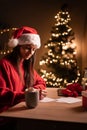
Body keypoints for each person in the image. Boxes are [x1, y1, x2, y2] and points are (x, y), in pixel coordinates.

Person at [0, 26, 47, 113]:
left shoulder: (26, 65)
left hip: (21, 110)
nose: (31, 53)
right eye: (27, 48)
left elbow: (41, 82)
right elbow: (1, 94)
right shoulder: (4, 64)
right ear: (18, 47)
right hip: (6, 114)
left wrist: (35, 90)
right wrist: (26, 95)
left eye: (33, 49)